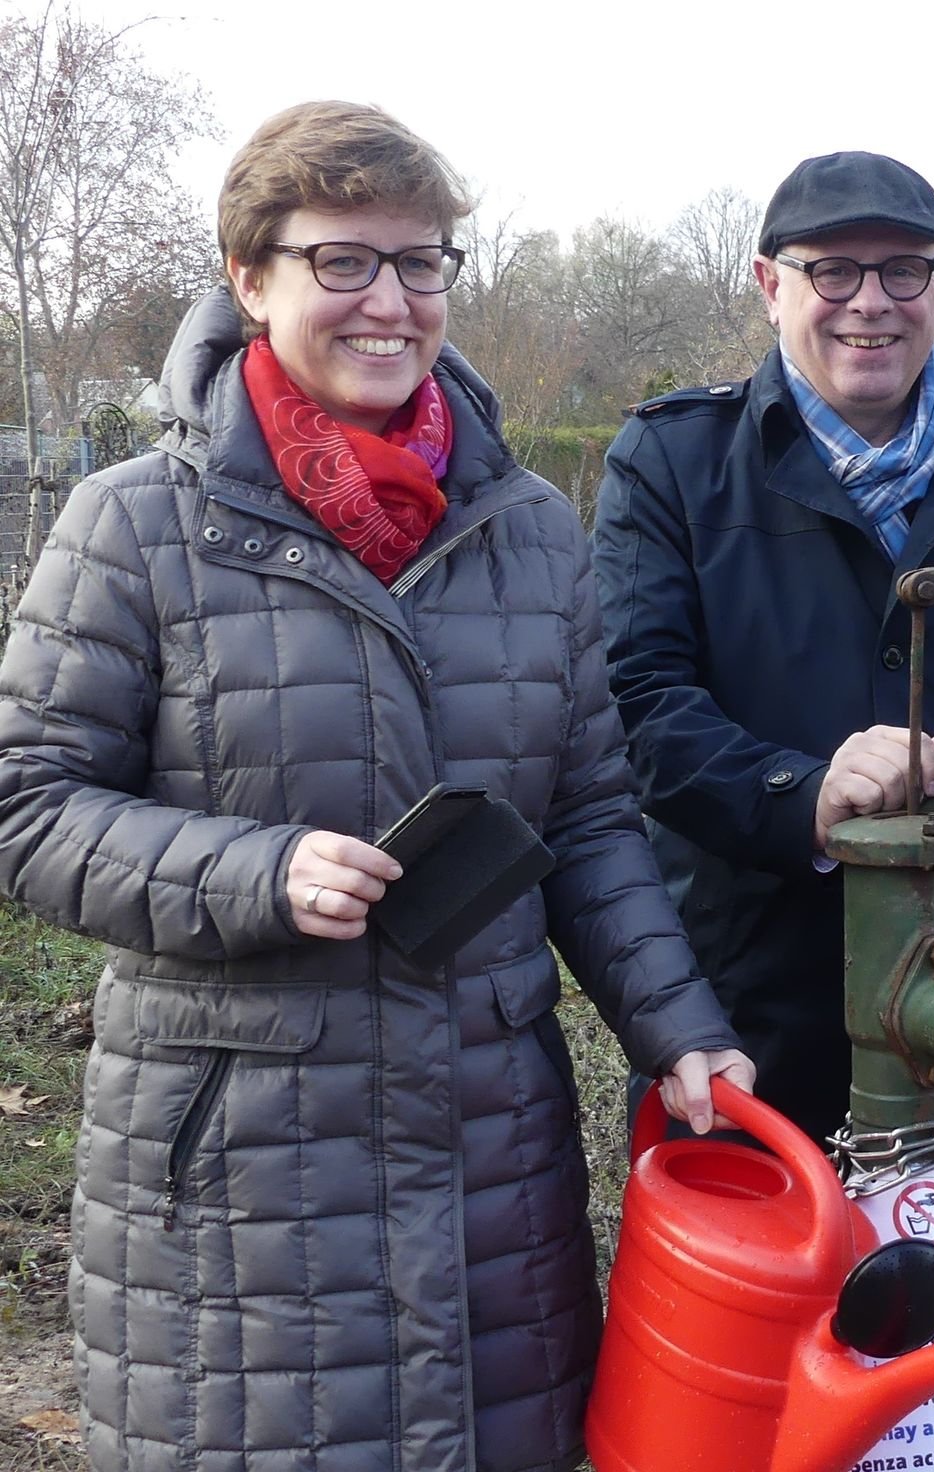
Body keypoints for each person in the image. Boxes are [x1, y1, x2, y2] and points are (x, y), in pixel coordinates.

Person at [0, 101, 752, 1472]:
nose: (390, 301)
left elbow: (585, 815)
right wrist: (256, 872)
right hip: (239, 1181)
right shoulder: (135, 524)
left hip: (488, 1153)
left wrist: (678, 1028)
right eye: (342, 260)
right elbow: (28, 807)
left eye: (422, 263)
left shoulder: (526, 527)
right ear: (250, 276)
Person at [592, 151, 934, 1145]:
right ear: (768, 284)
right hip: (739, 1027)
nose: (869, 302)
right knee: (753, 1302)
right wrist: (804, 795)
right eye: (833, 270)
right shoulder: (672, 463)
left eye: (902, 270)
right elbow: (638, 707)